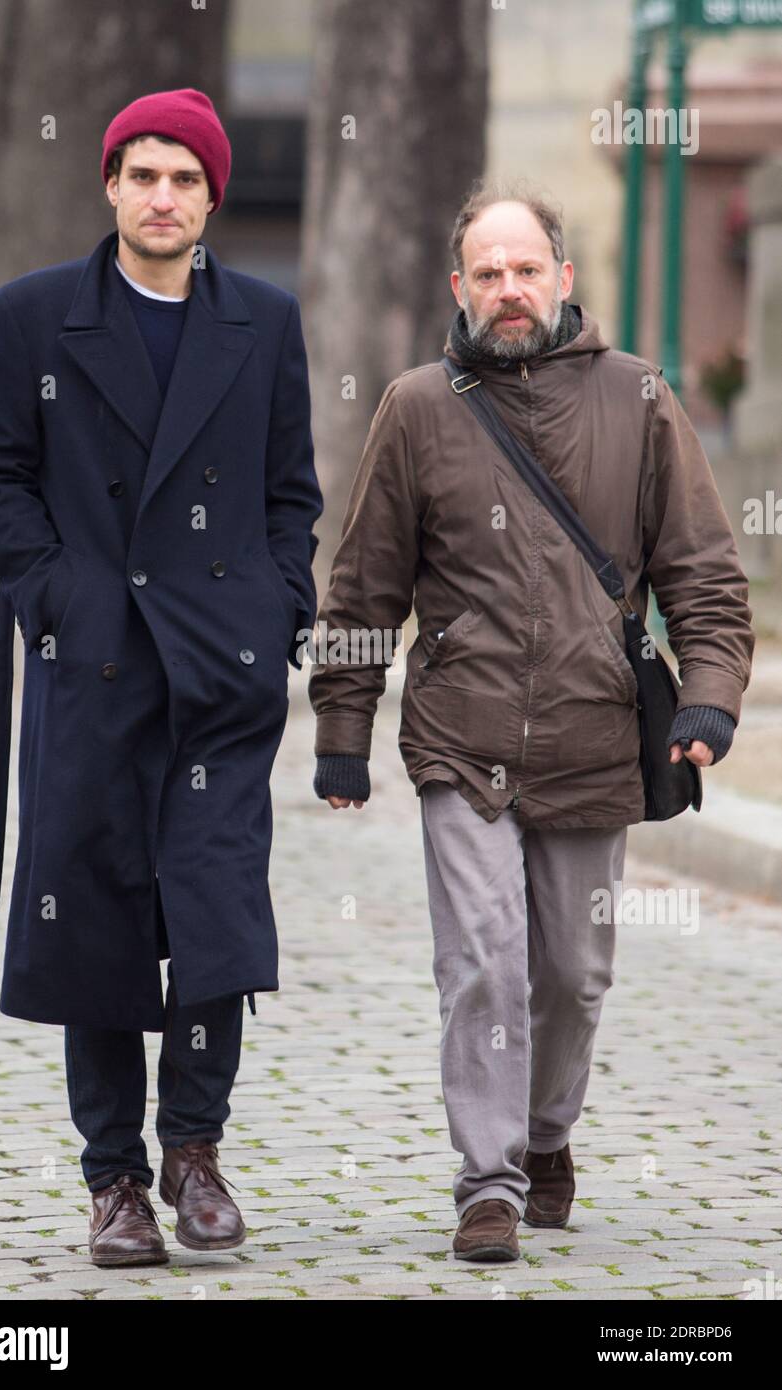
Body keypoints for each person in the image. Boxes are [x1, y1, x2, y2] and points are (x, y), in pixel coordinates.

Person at [308, 181, 754, 1262]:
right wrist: (343, 728)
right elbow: (365, 585)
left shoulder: (640, 399)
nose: (509, 289)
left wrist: (707, 694)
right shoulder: (417, 405)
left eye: (527, 268)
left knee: (572, 975)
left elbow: (703, 577)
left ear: (563, 277)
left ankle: (547, 1135)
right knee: (484, 963)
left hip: (595, 735)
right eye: (487, 272)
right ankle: (489, 1182)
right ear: (458, 287)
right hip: (461, 739)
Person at [0, 88, 322, 1267]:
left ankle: (195, 1151)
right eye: (142, 174)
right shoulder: (32, 317)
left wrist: (276, 613)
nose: (162, 196)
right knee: (95, 914)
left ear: (214, 195)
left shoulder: (263, 320)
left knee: (214, 911)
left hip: (220, 672)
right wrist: (59, 598)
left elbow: (288, 496)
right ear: (109, 184)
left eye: (184, 177)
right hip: (93, 667)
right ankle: (114, 1178)